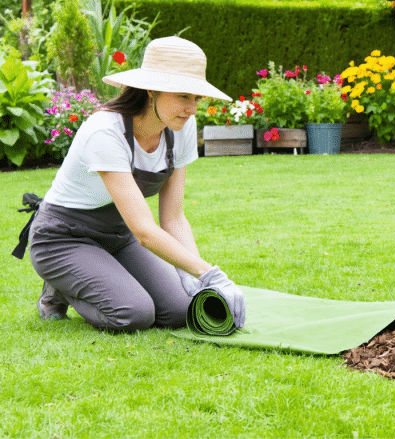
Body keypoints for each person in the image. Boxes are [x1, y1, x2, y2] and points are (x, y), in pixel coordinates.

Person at [13, 36, 245, 331]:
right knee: (133, 314)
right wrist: (211, 273)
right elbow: (144, 231)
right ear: (152, 89)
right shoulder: (105, 131)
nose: (192, 108)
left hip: (118, 235)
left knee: (179, 311)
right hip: (63, 238)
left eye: (196, 98)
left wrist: (196, 277)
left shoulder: (180, 127)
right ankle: (59, 288)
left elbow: (173, 217)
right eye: (183, 96)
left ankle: (98, 272)